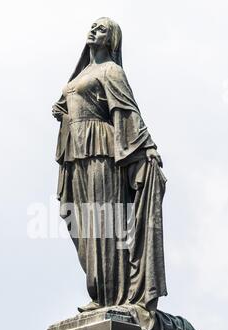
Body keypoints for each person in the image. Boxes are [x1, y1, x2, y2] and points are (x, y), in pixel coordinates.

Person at [52, 17, 167, 314]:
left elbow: (128, 110)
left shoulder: (111, 70)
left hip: (101, 150)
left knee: (103, 222)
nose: (94, 30)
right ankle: (98, 289)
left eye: (102, 28)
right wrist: (62, 110)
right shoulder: (83, 72)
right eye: (93, 26)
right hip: (75, 152)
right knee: (81, 221)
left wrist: (148, 147)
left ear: (112, 39)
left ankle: (111, 295)